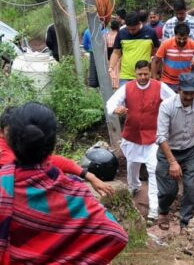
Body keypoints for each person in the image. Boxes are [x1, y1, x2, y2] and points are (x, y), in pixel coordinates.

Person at [0, 102, 127, 263]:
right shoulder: (73, 191)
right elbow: (116, 234)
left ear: (10, 139)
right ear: (52, 143)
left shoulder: (4, 187)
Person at [106, 60, 175, 223]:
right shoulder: (127, 88)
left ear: (150, 73)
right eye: (140, 74)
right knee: (132, 166)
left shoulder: (160, 87)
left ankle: (153, 209)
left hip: (153, 137)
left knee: (153, 169)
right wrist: (117, 109)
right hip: (132, 136)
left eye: (146, 74)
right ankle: (133, 187)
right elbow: (111, 103)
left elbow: (174, 101)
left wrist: (166, 115)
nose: (143, 77)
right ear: (135, 73)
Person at [0, 106, 114, 197]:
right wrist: (89, 176)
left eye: (19, 129)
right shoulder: (4, 150)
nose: (17, 134)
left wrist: (90, 176)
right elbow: (40, 162)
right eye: (11, 131)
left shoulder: (18, 145)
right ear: (1, 132)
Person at [155, 73, 194, 231]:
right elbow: (161, 137)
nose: (188, 97)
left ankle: (185, 224)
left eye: (192, 93)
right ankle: (163, 210)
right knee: (169, 190)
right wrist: (172, 162)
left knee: (189, 187)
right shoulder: (167, 106)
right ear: (179, 90)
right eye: (185, 93)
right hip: (168, 152)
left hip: (189, 151)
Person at [152, 22, 194, 92]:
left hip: (185, 81)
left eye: (184, 38)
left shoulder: (193, 45)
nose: (182, 41)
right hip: (168, 81)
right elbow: (155, 61)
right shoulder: (166, 44)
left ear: (188, 36)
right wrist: (155, 79)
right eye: (179, 38)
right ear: (175, 35)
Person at [109, 11, 160, 88]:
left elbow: (157, 53)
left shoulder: (150, 33)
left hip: (144, 76)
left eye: (133, 29)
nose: (131, 31)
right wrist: (111, 68)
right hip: (126, 77)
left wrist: (155, 73)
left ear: (139, 23)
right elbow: (116, 52)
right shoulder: (122, 33)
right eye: (128, 29)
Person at [106, 19, 121, 89]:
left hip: (109, 55)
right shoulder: (119, 35)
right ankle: (117, 85)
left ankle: (111, 84)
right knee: (117, 70)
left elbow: (104, 48)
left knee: (111, 69)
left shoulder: (107, 35)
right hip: (118, 56)